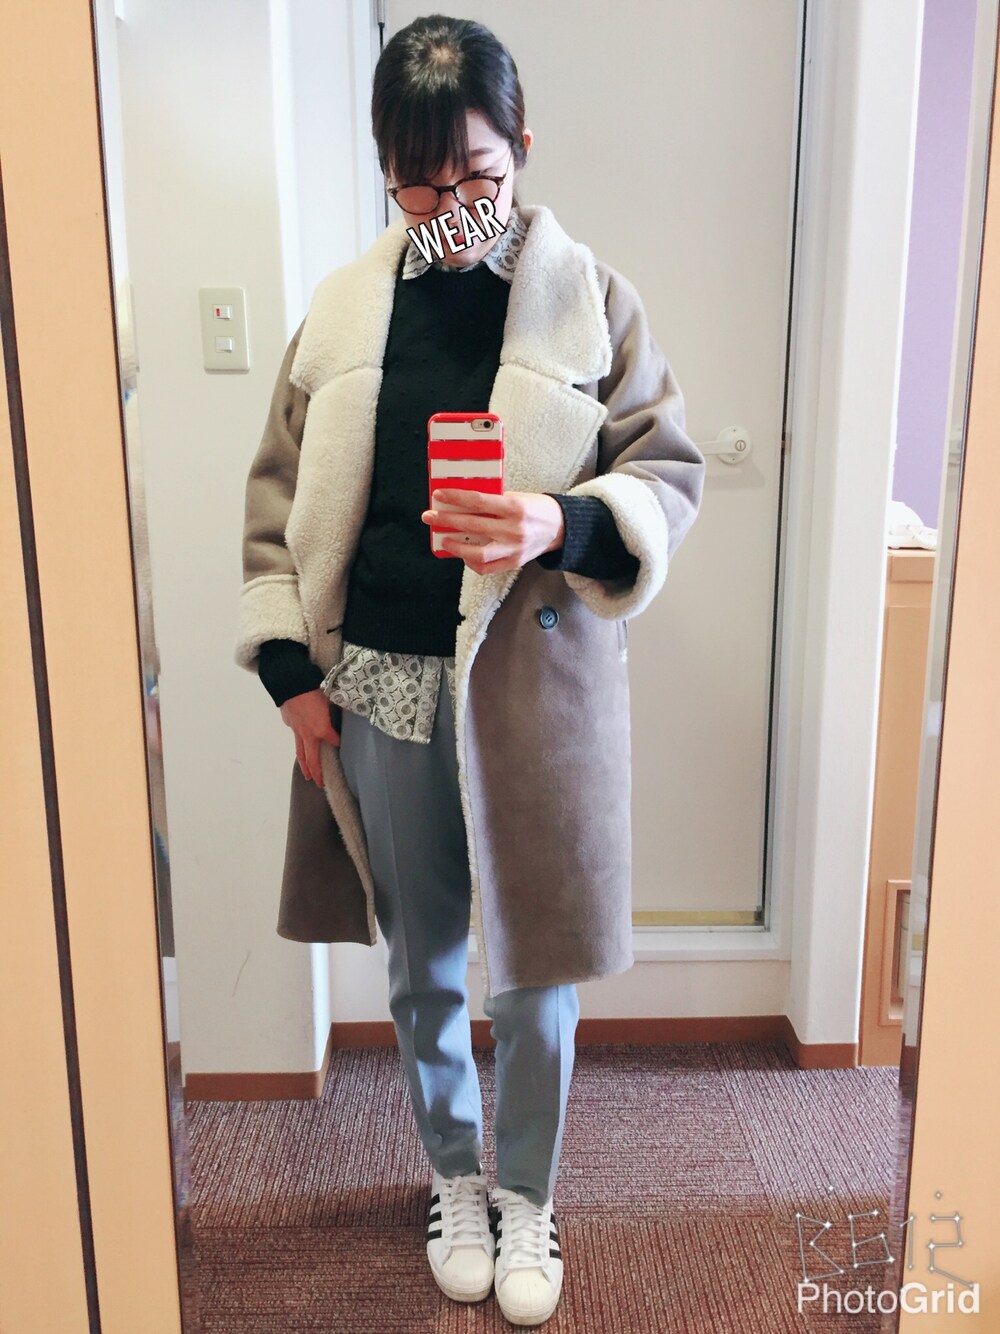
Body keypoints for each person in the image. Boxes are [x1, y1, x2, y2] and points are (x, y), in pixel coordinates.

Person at [235, 13, 705, 1327]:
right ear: (387, 171)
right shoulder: (343, 311)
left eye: (478, 176)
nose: (453, 209)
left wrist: (558, 520)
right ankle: (454, 1173)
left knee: (534, 962)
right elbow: (275, 503)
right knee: (424, 957)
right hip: (382, 675)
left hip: (530, 684)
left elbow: (668, 470)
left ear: (523, 148)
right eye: (420, 182)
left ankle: (529, 1193)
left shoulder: (591, 297)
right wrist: (291, 676)